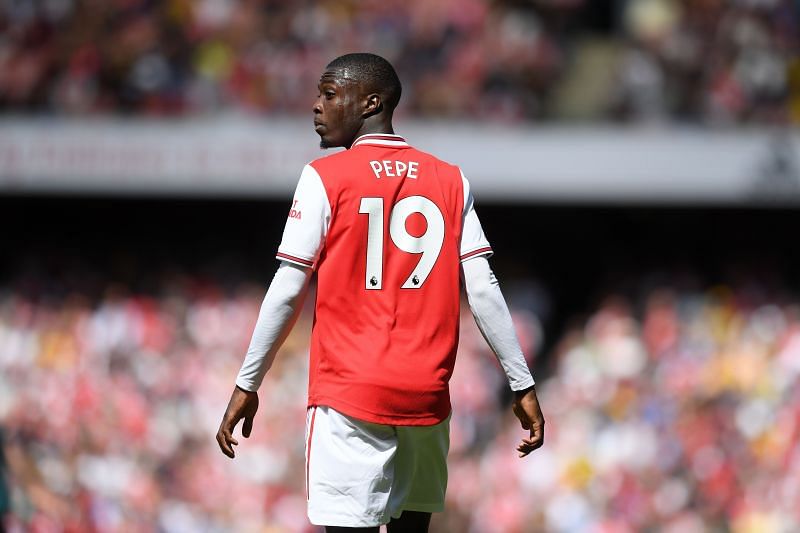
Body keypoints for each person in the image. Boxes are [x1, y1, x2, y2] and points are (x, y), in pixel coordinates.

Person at [217, 53, 544, 532]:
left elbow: (289, 288)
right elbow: (484, 289)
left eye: (329, 94)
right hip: (426, 397)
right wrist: (522, 383)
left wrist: (248, 382)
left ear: (371, 102)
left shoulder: (324, 177)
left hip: (350, 394)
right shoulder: (451, 179)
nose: (315, 106)